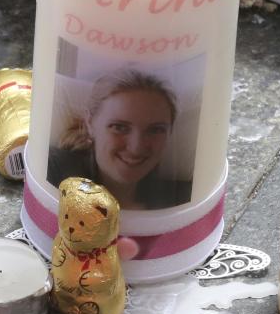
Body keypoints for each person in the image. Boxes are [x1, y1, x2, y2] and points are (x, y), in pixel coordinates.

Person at [47, 69, 192, 210]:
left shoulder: (184, 199)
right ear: (90, 124)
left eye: (155, 130)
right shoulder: (52, 170)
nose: (136, 147)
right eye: (119, 127)